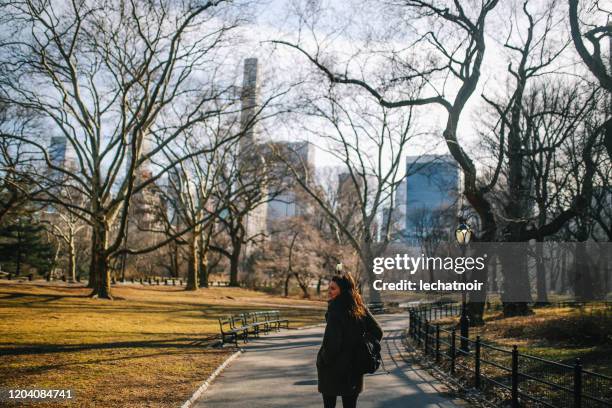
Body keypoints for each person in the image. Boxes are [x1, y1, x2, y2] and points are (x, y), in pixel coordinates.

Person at [316, 273, 383, 408]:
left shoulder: (335, 311)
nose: (329, 292)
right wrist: (362, 345)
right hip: (355, 366)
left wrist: (322, 360)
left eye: (333, 288)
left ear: (343, 289)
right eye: (329, 288)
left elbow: (332, 344)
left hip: (332, 369)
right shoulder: (360, 308)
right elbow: (377, 332)